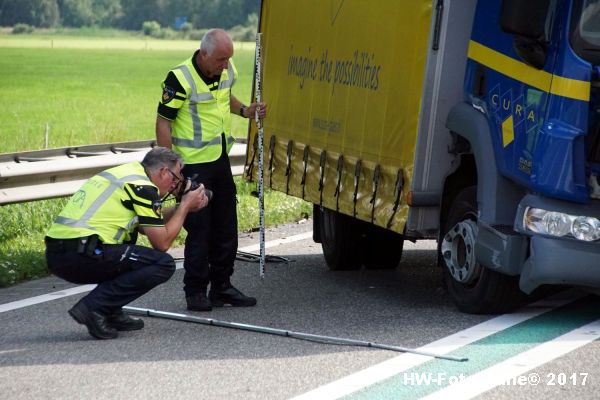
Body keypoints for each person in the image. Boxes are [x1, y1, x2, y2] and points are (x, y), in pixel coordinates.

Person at [45, 147, 209, 339]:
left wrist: (182, 206)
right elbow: (162, 243)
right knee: (162, 263)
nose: (176, 183)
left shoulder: (129, 175)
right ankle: (93, 308)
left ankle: (110, 310)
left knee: (130, 245)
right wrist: (186, 206)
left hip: (64, 252)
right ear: (163, 171)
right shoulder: (143, 187)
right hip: (82, 252)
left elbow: (146, 226)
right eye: (176, 177)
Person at [155, 28, 266, 312]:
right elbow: (163, 123)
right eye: (220, 59)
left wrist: (245, 110)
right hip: (191, 166)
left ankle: (222, 287)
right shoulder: (179, 79)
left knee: (226, 226)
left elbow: (224, 97)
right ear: (203, 54)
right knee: (200, 230)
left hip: (219, 160)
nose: (225, 65)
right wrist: (172, 170)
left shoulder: (226, 71)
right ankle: (195, 291)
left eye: (229, 59)